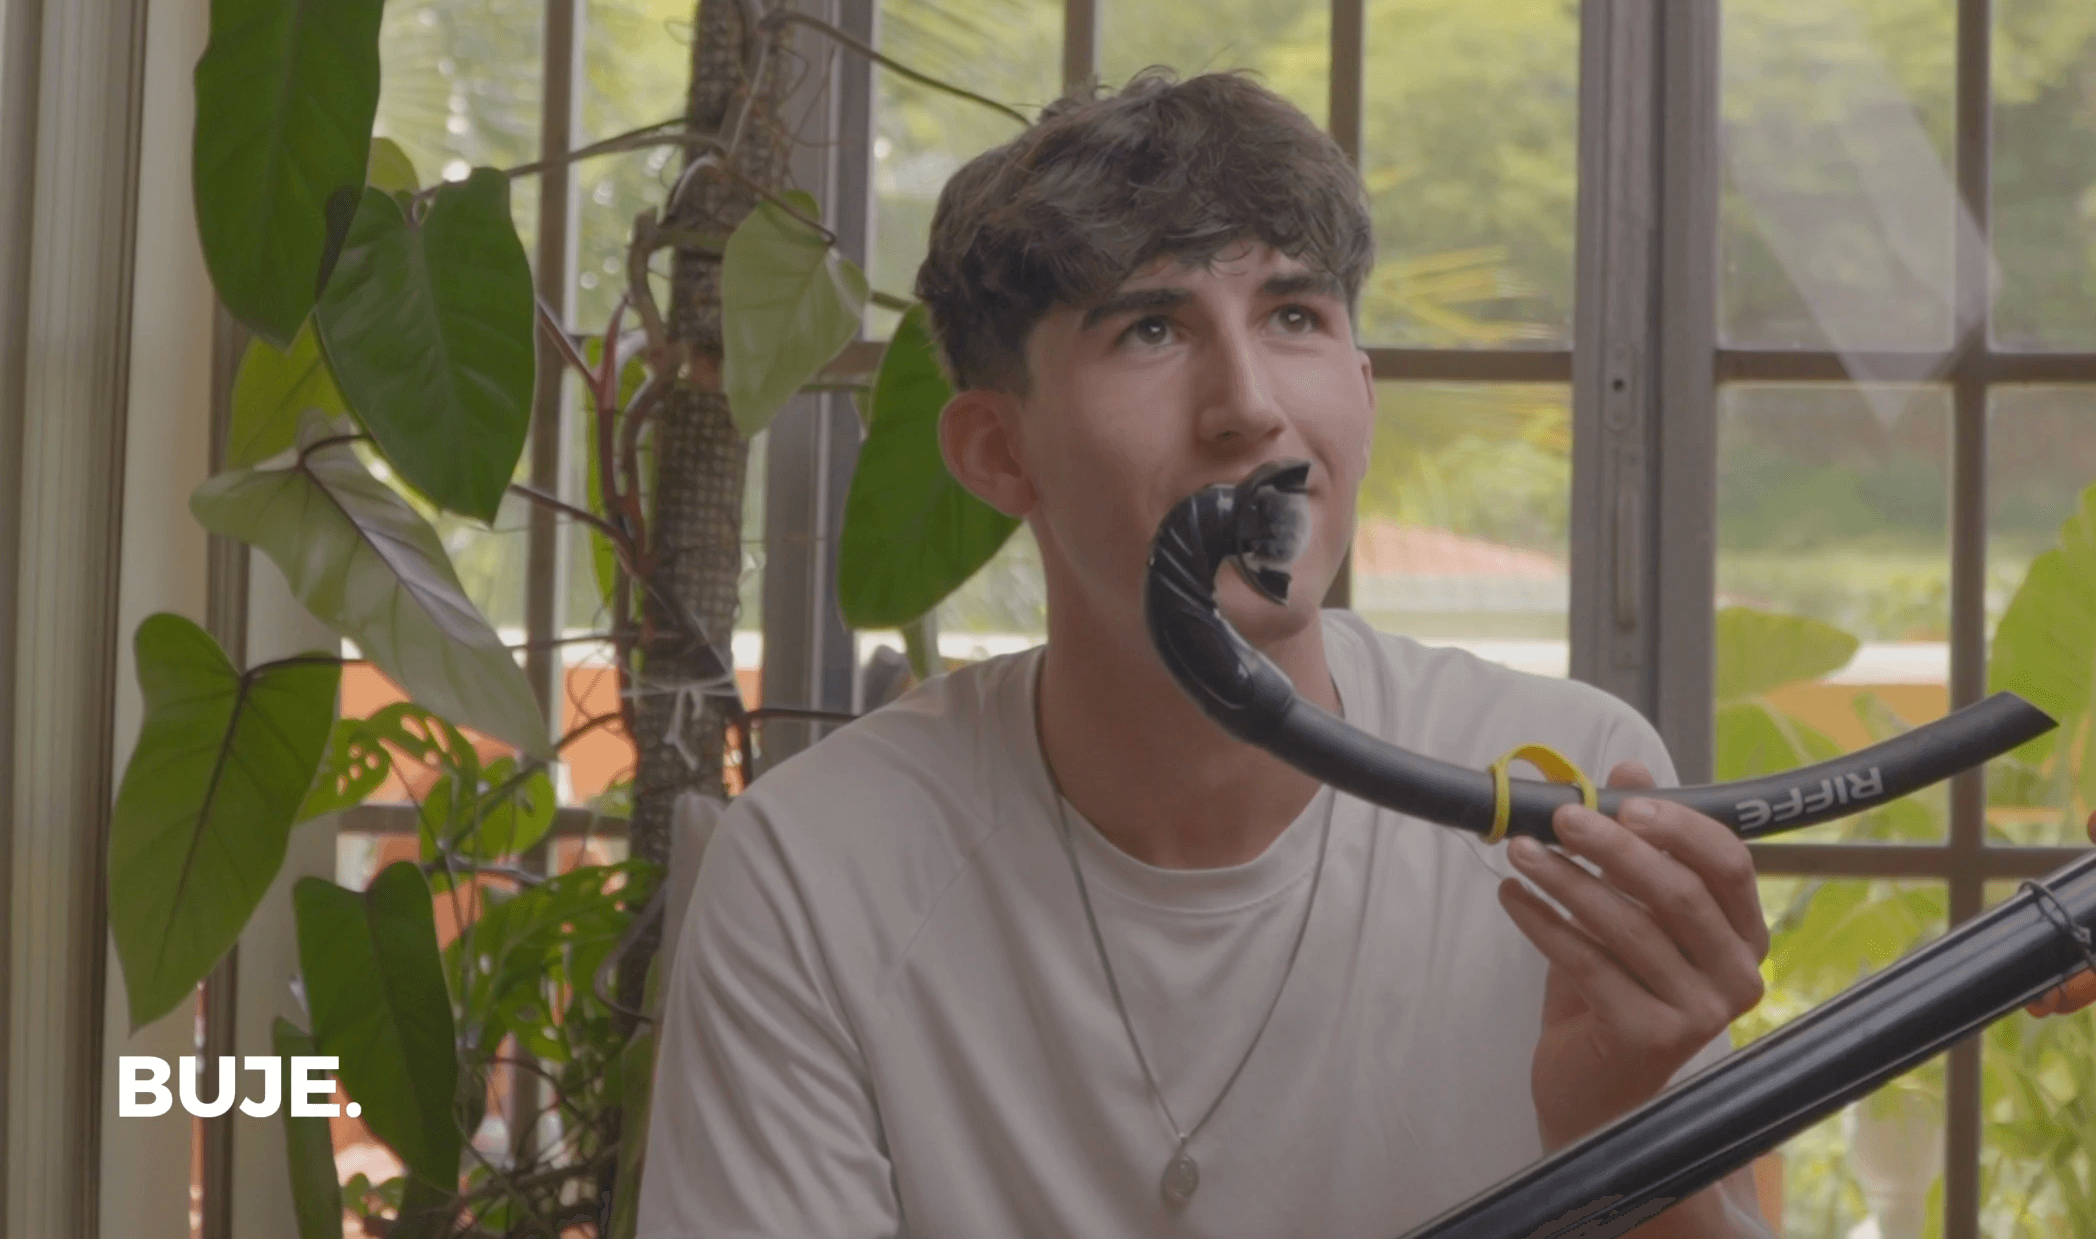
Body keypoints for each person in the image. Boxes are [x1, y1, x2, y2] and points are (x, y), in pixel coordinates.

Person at [636, 70, 1781, 1238]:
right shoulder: (815, 869)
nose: (1247, 406)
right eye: (1149, 329)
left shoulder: (1559, 786)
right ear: (995, 451)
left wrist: (1615, 1138)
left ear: (1362, 396)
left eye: (1293, 318)